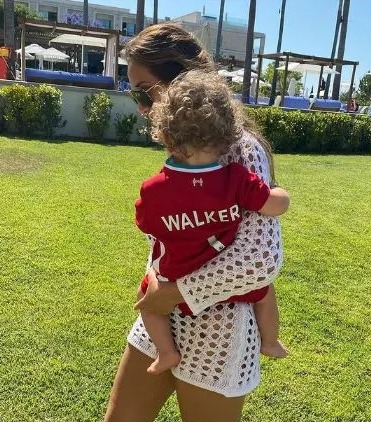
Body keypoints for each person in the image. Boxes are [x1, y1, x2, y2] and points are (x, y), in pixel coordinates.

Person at [105, 23, 287, 422]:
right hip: (159, 322)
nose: (139, 105)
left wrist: (171, 293)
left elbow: (261, 260)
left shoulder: (240, 148)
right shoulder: (181, 143)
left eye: (143, 91)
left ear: (180, 81)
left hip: (219, 330)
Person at [135, 70, 289, 375]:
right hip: (226, 283)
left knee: (145, 300)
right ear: (227, 138)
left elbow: (145, 223)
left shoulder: (153, 189)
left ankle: (166, 351)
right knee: (265, 290)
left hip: (173, 279)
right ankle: (270, 341)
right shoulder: (236, 178)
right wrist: (280, 192)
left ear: (166, 137)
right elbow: (275, 205)